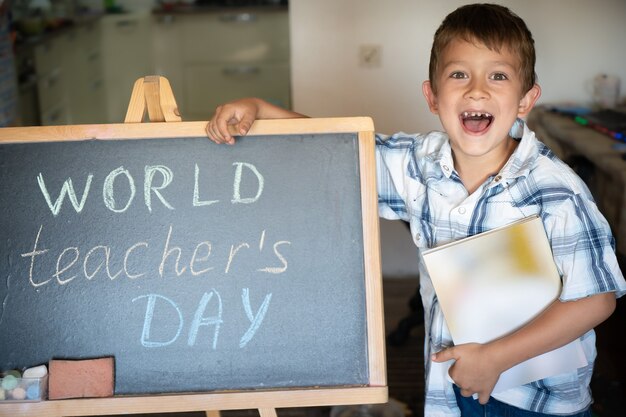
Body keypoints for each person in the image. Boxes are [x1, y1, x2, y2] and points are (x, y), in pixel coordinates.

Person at [206, 3, 626, 416]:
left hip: (537, 402)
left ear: (525, 99)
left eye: (498, 75)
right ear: (432, 95)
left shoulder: (556, 192)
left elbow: (597, 300)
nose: (477, 89)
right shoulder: (417, 163)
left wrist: (496, 357)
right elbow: (337, 151)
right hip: (451, 382)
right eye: (459, 74)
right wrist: (261, 110)